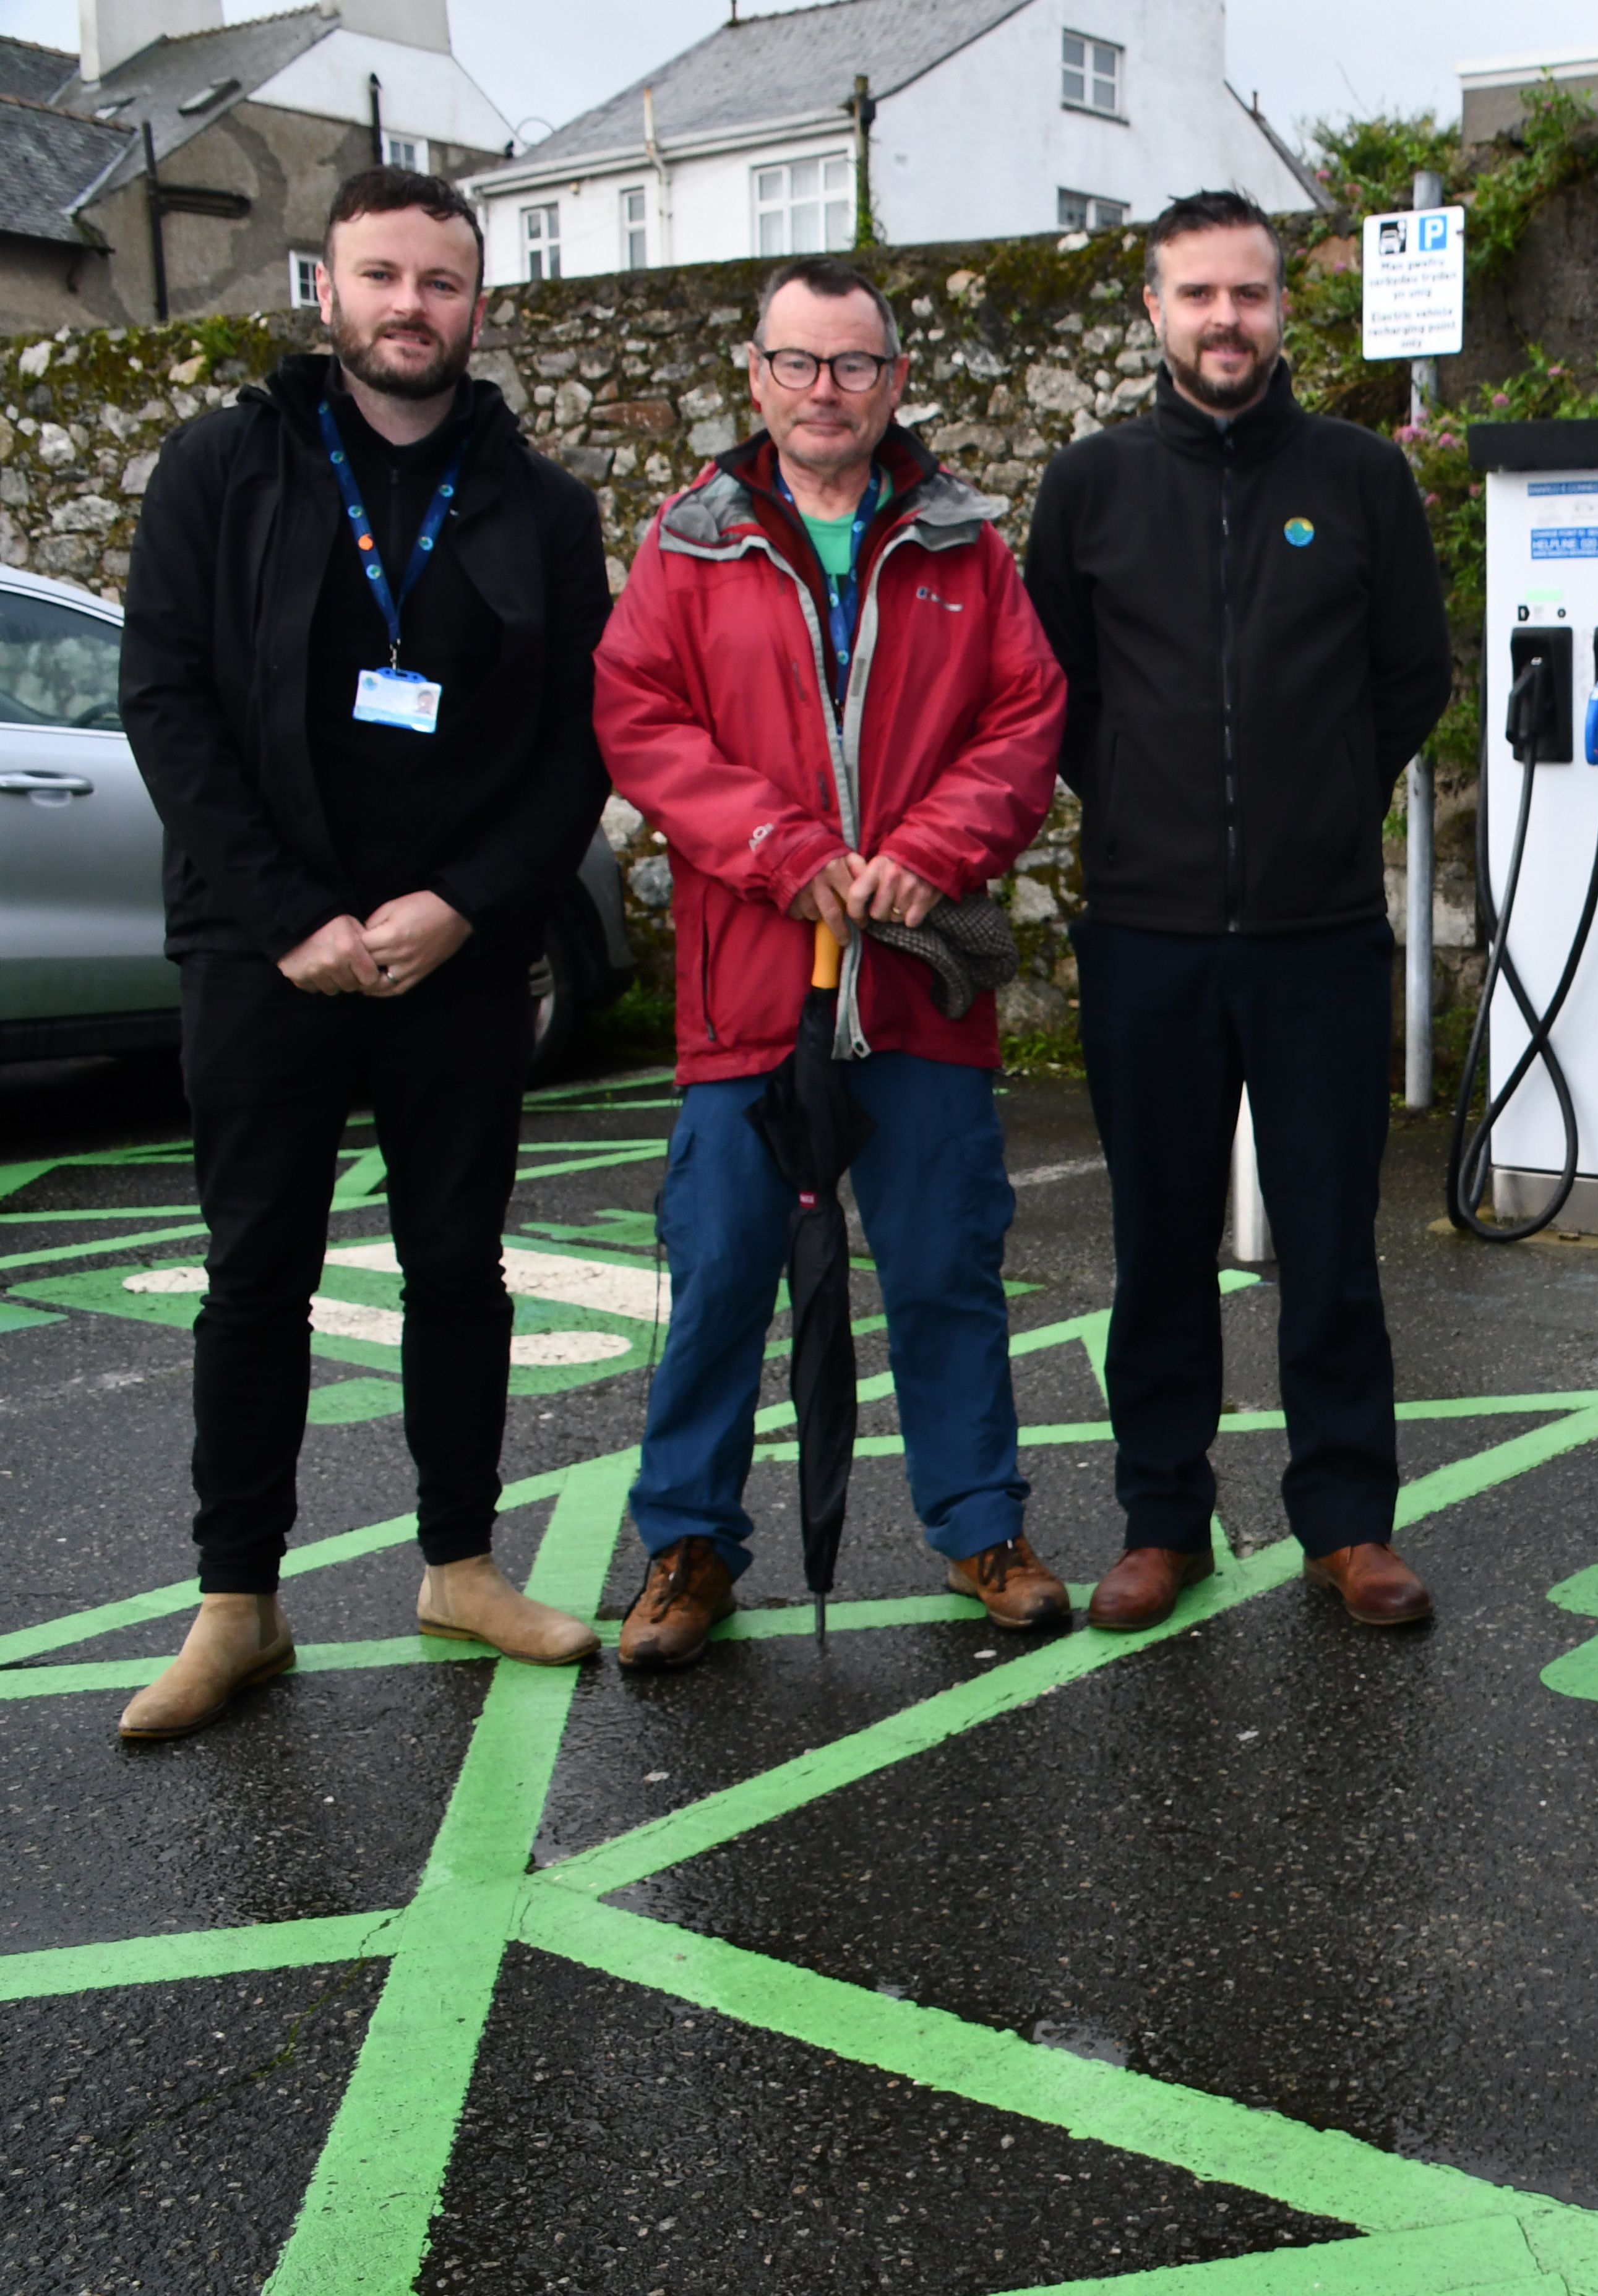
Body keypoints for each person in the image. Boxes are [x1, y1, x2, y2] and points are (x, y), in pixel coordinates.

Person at [114, 168, 612, 1739]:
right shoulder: (222, 466)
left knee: (456, 1270)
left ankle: (460, 1563)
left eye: (443, 281)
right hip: (265, 950)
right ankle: (236, 1603)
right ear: (324, 288)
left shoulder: (541, 503)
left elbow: (575, 746)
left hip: (454, 957)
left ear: (480, 303)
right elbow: (168, 705)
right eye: (382, 274)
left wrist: (458, 906)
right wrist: (292, 920)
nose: (413, 304)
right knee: (255, 1273)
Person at [594, 257, 1067, 1668]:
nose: (824, 391)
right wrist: (774, 842)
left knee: (943, 1269)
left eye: (853, 365)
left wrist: (933, 843)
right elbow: (639, 715)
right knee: (726, 1269)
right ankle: (687, 1543)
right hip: (751, 986)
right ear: (755, 376)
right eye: (797, 363)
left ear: (895, 381)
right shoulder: (690, 541)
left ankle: (983, 1525)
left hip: (917, 984)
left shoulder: (964, 542)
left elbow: (1026, 719)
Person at [1023, 191, 1452, 1632]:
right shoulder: (1089, 488)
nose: (1227, 320)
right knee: (1156, 1241)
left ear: (1284, 311)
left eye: (1251, 295)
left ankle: (1347, 1520)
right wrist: (1144, 802)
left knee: (1331, 1243)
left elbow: (1412, 676)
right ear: (1154, 309)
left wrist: (1325, 800)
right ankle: (1162, 1520)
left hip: (1319, 932)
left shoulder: (1362, 479)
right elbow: (1056, 690)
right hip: (1145, 931)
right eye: (1199, 295)